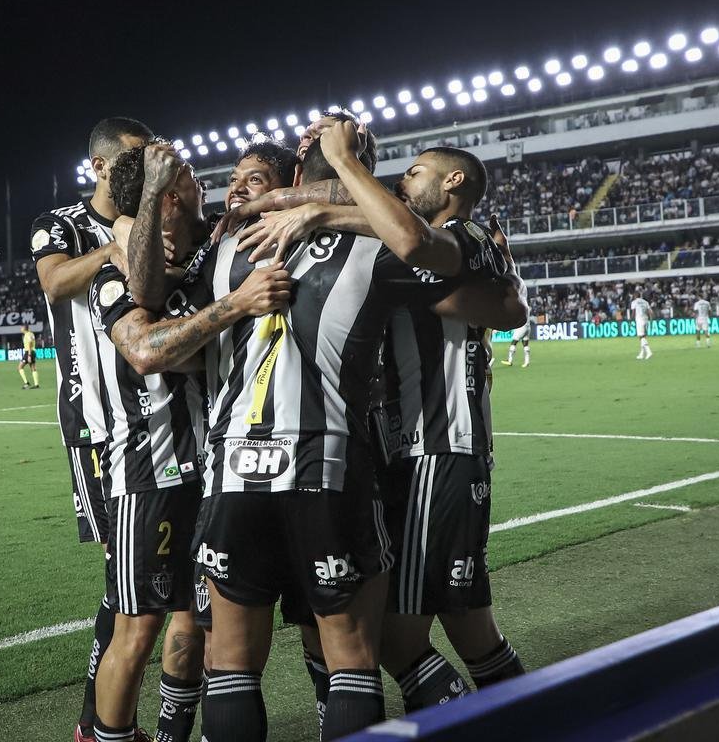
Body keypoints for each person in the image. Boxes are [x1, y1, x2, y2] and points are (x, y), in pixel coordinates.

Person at [190, 121, 508, 741]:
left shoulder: (230, 244)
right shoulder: (383, 247)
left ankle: (511, 719)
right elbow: (497, 299)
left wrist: (270, 208)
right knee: (363, 653)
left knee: (231, 661)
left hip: (239, 463)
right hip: (334, 460)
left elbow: (502, 303)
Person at [91, 139, 292, 742]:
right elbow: (147, 351)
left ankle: (175, 732)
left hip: (214, 467)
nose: (211, 188)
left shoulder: (212, 257)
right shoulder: (114, 275)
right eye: (190, 179)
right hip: (146, 469)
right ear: (169, 196)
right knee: (138, 627)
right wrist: (234, 306)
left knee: (195, 621)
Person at [30, 116, 155, 742]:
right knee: (124, 580)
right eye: (131, 162)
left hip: (166, 420)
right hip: (99, 426)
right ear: (100, 166)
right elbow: (54, 283)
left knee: (169, 583)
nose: (141, 173)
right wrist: (114, 247)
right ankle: (98, 723)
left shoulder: (158, 216)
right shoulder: (61, 225)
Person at [631, 291, 653, 360]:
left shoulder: (634, 302)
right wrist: (651, 320)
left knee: (641, 337)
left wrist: (630, 320)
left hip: (639, 320)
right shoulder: (645, 302)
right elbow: (651, 312)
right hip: (646, 319)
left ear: (634, 296)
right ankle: (642, 354)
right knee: (644, 337)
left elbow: (633, 312)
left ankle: (649, 351)